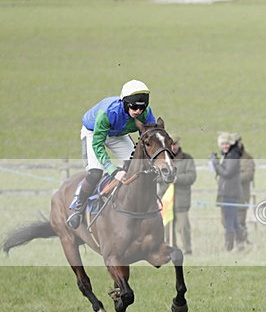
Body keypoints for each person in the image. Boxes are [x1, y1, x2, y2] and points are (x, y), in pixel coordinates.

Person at [67, 79, 157, 229]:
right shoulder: (108, 113)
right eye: (134, 107)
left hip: (119, 135)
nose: (138, 112)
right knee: (96, 172)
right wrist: (113, 170)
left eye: (142, 108)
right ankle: (78, 207)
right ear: (125, 103)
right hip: (93, 133)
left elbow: (150, 137)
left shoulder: (146, 113)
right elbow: (98, 144)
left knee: (135, 165)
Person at [158, 136, 196, 254]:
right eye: (171, 144)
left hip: (181, 200)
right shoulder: (162, 159)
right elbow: (156, 176)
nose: (173, 147)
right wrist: (166, 178)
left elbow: (191, 177)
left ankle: (187, 250)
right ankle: (171, 249)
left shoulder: (187, 158)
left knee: (183, 226)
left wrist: (176, 179)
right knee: (167, 227)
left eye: (175, 144)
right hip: (166, 199)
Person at [209, 132, 242, 251]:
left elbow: (227, 173)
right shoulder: (229, 154)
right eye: (222, 143)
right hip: (228, 192)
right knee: (233, 221)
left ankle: (229, 248)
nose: (225, 146)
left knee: (229, 221)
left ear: (231, 143)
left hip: (230, 193)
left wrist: (215, 163)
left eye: (227, 143)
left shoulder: (233, 155)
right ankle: (240, 244)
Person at [233, 133, 255, 247]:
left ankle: (241, 242)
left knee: (240, 220)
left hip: (241, 196)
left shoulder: (247, 158)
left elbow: (249, 175)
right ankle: (231, 244)